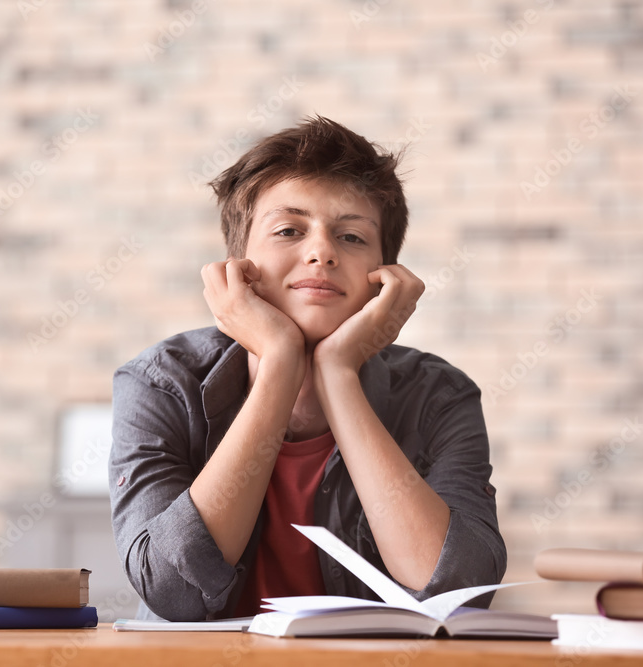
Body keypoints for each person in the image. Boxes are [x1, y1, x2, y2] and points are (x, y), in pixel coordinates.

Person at [109, 116, 506, 621]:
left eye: (353, 237)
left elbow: (457, 590)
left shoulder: (439, 396)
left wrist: (339, 374)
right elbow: (172, 590)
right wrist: (279, 361)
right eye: (289, 230)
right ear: (239, 266)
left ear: (385, 278)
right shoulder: (159, 384)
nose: (321, 252)